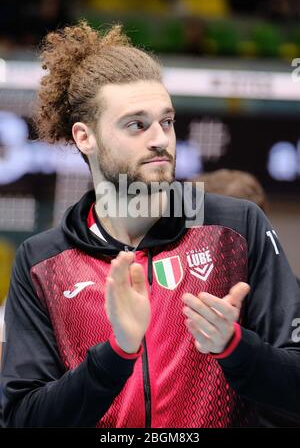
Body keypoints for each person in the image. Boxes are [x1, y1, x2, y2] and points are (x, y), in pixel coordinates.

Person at [1, 21, 300, 428]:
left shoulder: (235, 227)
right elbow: (21, 418)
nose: (160, 138)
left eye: (167, 121)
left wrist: (235, 348)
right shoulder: (42, 261)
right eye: (136, 125)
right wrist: (117, 354)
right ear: (84, 136)